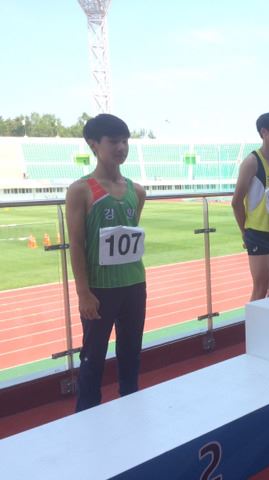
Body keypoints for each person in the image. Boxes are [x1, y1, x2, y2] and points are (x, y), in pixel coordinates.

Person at [66, 114, 147, 412]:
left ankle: (130, 406)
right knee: (93, 356)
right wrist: (83, 292)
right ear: (93, 144)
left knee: (131, 353)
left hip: (134, 285)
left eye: (125, 141)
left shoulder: (137, 192)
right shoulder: (81, 190)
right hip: (100, 290)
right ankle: (87, 414)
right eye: (113, 141)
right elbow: (77, 244)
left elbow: (127, 235)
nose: (121, 147)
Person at [231, 112, 269, 300]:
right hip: (258, 232)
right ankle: (255, 328)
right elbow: (236, 201)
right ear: (264, 132)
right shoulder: (251, 162)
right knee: (261, 286)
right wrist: (244, 231)